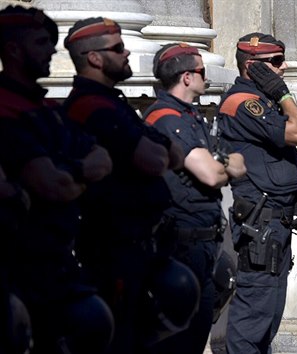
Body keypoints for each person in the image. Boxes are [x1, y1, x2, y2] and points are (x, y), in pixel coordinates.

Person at [63, 17, 185, 354]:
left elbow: (174, 155)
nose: (127, 51)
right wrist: (154, 149)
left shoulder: (115, 104)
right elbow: (157, 160)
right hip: (113, 248)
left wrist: (154, 149)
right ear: (95, 58)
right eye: (118, 48)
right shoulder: (92, 106)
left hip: (139, 245)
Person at [0, 6, 114, 353]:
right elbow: (53, 184)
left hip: (58, 260)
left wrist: (67, 173)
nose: (52, 50)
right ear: (13, 50)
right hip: (21, 268)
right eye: (41, 42)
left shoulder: (47, 109)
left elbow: (103, 159)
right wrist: (75, 173)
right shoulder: (5, 109)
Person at [143, 42, 246, 354]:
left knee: (196, 332)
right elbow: (213, 174)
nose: (207, 77)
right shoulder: (165, 118)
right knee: (178, 340)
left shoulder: (191, 117)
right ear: (186, 77)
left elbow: (235, 162)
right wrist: (224, 164)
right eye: (202, 71)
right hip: (180, 245)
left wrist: (222, 163)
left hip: (202, 244)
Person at [217, 32, 297, 353]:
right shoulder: (242, 103)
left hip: (276, 221)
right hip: (261, 222)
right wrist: (284, 94)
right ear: (252, 68)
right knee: (253, 313)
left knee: (269, 314)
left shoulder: (263, 101)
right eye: (275, 62)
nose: (283, 67)